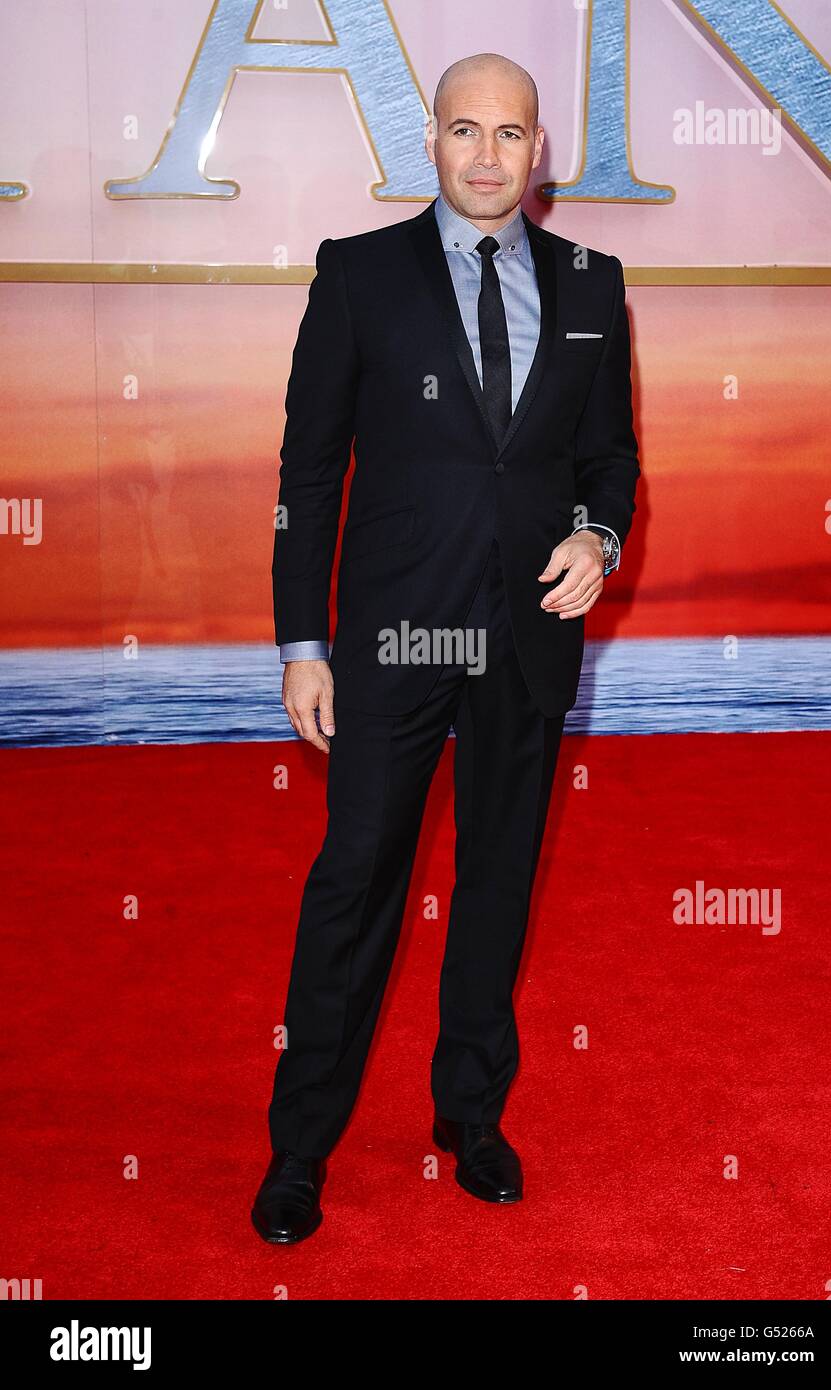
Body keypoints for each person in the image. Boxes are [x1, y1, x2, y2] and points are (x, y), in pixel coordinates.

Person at [252, 52, 640, 1244]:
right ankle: (300, 1147)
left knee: (498, 883)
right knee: (357, 878)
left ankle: (470, 1115)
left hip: (524, 637)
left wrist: (600, 535)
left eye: (509, 134)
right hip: (392, 639)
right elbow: (309, 474)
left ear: (541, 156)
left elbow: (608, 458)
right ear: (430, 141)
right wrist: (304, 642)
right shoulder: (359, 276)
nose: (486, 155)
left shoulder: (591, 281)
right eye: (464, 130)